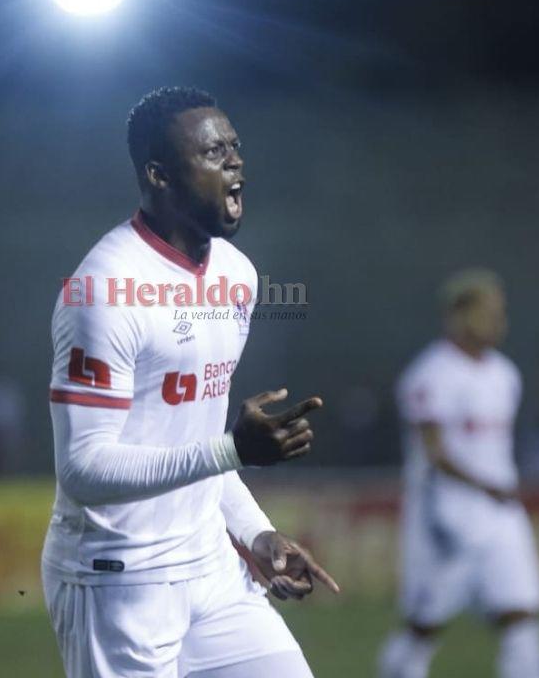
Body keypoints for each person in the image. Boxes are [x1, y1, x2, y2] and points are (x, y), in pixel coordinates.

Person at [42, 87, 337, 678]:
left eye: (235, 147)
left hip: (211, 565)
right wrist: (232, 449)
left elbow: (194, 440)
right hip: (119, 577)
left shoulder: (237, 275)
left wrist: (255, 533)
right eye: (213, 152)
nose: (235, 161)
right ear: (159, 175)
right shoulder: (103, 290)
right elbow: (82, 468)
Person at [378, 268, 539, 678]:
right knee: (425, 624)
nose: (498, 321)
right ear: (458, 316)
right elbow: (435, 454)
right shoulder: (431, 374)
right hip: (445, 516)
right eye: (488, 312)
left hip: (500, 512)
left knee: (521, 613)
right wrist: (487, 486)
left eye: (501, 312)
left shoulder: (505, 374)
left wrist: (499, 488)